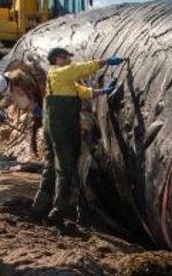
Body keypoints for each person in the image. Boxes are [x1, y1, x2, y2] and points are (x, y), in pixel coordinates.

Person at [30, 47, 123, 223]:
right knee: (64, 167)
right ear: (58, 58)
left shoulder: (58, 78)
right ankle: (58, 211)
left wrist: (100, 92)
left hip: (51, 126)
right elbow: (81, 69)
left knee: (50, 166)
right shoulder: (61, 73)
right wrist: (106, 62)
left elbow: (80, 91)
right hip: (62, 127)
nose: (69, 60)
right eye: (66, 57)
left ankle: (38, 207)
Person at [0, 68, 39, 150]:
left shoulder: (8, 85)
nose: (23, 93)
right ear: (17, 85)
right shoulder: (0, 83)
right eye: (23, 90)